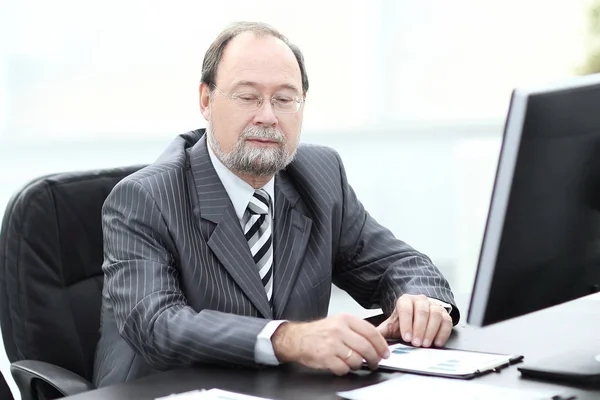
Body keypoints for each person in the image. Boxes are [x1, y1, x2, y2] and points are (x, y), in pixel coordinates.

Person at [93, 21, 460, 387]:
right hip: (167, 391)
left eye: (284, 99)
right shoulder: (145, 198)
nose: (267, 116)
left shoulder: (320, 175)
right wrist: (287, 339)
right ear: (206, 101)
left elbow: (397, 263)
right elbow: (158, 326)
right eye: (247, 96)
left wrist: (421, 300)